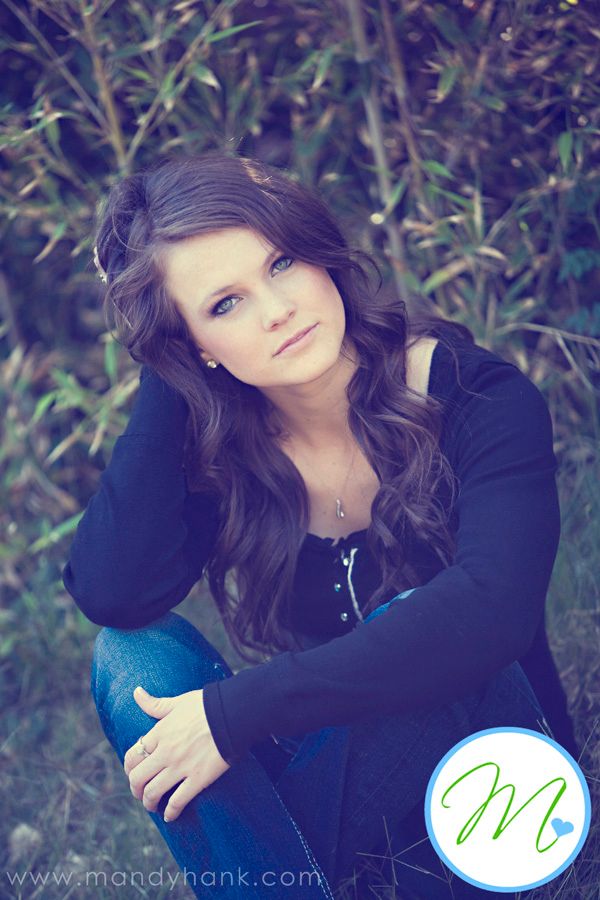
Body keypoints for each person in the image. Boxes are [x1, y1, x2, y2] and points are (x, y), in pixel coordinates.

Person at [63, 150, 578, 899]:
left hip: (499, 785)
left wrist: (235, 715)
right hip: (350, 782)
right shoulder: (231, 452)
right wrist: (168, 369)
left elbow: (491, 616)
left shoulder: (477, 397)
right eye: (224, 304)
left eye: (281, 263)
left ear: (316, 251)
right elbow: (112, 591)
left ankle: (267, 867)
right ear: (196, 345)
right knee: (131, 656)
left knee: (419, 616)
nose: (276, 310)